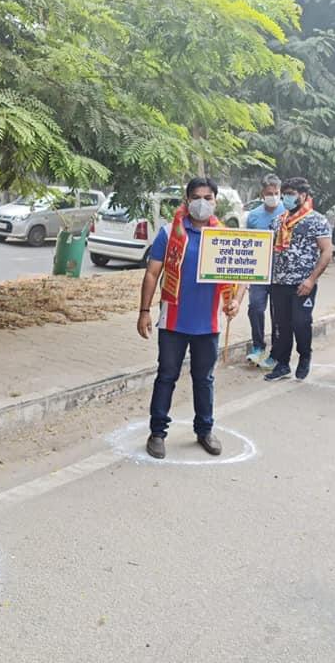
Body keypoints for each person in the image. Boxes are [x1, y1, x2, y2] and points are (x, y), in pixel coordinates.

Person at [138, 177, 244, 460]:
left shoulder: (225, 236)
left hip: (207, 324)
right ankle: (157, 432)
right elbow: (152, 273)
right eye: (196, 197)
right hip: (173, 321)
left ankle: (204, 431)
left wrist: (235, 301)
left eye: (208, 197)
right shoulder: (168, 233)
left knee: (204, 379)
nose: (202, 202)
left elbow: (244, 275)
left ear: (215, 201)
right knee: (166, 376)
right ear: (186, 200)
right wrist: (144, 311)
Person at [264, 178, 333, 382]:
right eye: (285, 193)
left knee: (301, 323)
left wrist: (311, 280)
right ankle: (282, 364)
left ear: (303, 196)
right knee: (281, 325)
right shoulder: (277, 221)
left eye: (292, 193)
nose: (287, 197)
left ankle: (305, 357)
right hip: (278, 282)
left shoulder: (317, 220)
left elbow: (326, 251)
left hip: (303, 283)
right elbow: (266, 249)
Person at [244, 174, 285, 368]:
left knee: (278, 314)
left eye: (276, 193)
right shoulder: (253, 216)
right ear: (263, 193)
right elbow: (248, 244)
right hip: (259, 272)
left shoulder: (287, 213)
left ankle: (276, 351)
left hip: (280, 274)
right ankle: (258, 346)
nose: (273, 196)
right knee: (255, 308)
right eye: (270, 193)